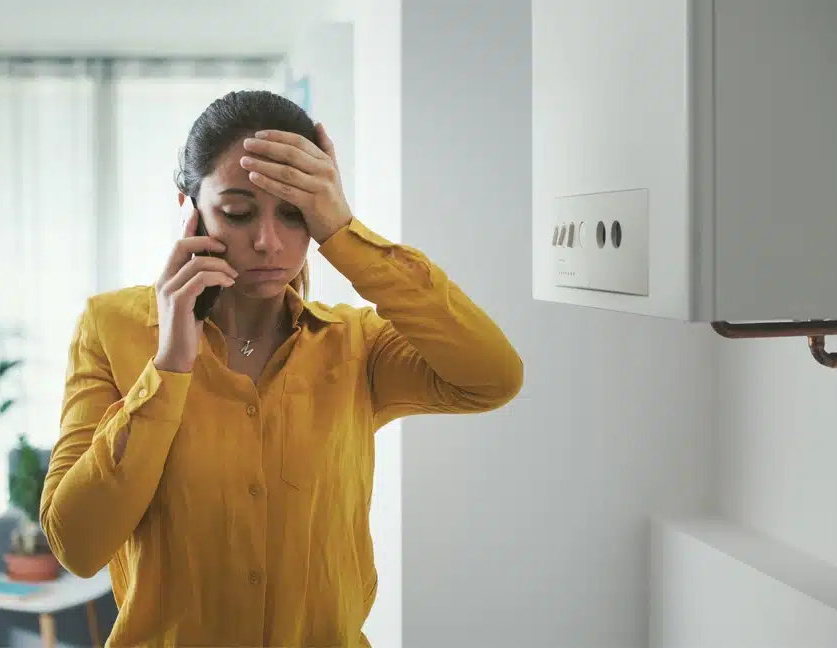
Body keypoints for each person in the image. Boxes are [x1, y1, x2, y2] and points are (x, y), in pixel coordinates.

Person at [40, 89, 523, 648]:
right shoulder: (110, 328)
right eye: (238, 212)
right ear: (189, 210)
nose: (268, 242)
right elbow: (76, 544)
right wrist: (170, 366)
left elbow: (494, 376)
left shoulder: (356, 345)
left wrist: (345, 233)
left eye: (295, 215)